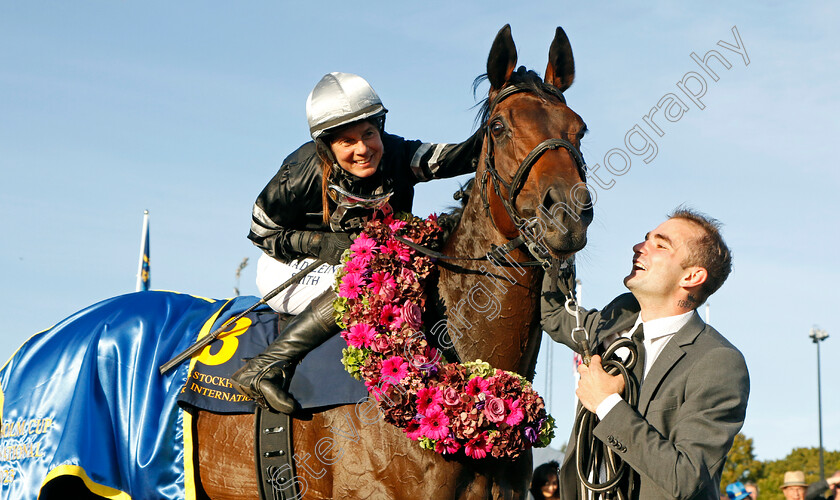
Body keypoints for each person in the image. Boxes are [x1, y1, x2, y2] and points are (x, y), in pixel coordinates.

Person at [231, 72, 481, 413]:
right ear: (327, 146)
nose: (363, 149)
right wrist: (320, 244)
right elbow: (261, 232)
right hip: (287, 266)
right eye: (347, 142)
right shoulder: (299, 172)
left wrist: (503, 117)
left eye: (369, 134)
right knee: (367, 281)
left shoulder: (395, 153)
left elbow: (459, 156)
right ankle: (263, 369)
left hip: (349, 261)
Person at [541, 208, 749, 499]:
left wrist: (607, 404)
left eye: (660, 245)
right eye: (645, 239)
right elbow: (552, 314)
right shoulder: (617, 316)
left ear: (692, 276)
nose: (639, 247)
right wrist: (557, 243)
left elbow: (685, 478)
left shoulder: (718, 361)